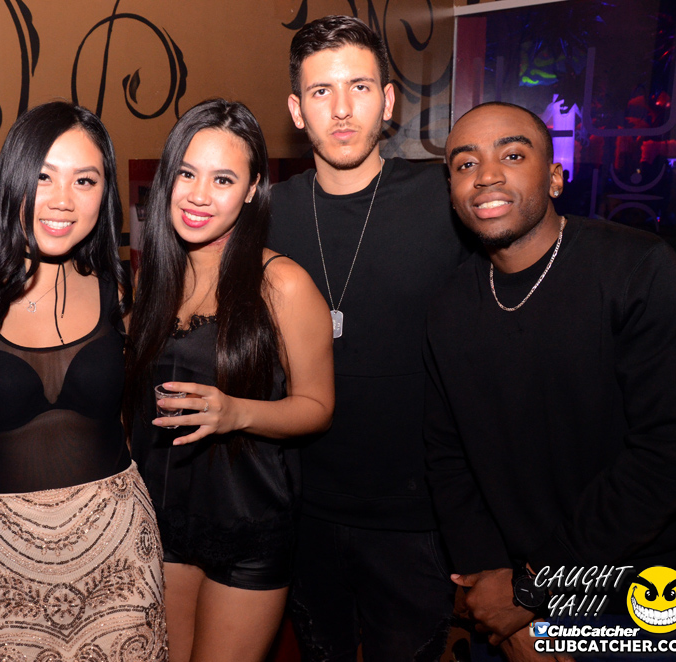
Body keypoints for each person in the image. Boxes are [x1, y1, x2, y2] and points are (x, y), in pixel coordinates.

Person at [425, 101, 676, 661]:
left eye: (512, 155)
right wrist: (494, 591)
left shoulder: (638, 269)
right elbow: (446, 457)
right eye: (465, 164)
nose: (487, 176)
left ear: (554, 177)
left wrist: (537, 589)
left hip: (639, 589)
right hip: (508, 592)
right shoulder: (448, 306)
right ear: (452, 192)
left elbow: (672, 454)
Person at [0, 102, 168, 662]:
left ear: (103, 194)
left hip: (120, 547)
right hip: (2, 557)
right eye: (43, 177)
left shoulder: (116, 291)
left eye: (85, 180)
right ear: (12, 180)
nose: (62, 200)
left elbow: (136, 418)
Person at [267, 15, 467, 661]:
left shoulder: (445, 199)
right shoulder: (265, 214)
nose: (342, 108)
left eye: (359, 87)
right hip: (301, 510)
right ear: (297, 110)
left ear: (387, 101)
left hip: (416, 517)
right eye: (321, 91)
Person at [126, 98, 334, 662]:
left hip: (247, 526)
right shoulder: (151, 279)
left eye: (222, 179)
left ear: (251, 189)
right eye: (187, 174)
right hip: (161, 521)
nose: (199, 195)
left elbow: (318, 406)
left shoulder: (282, 283)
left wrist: (236, 411)